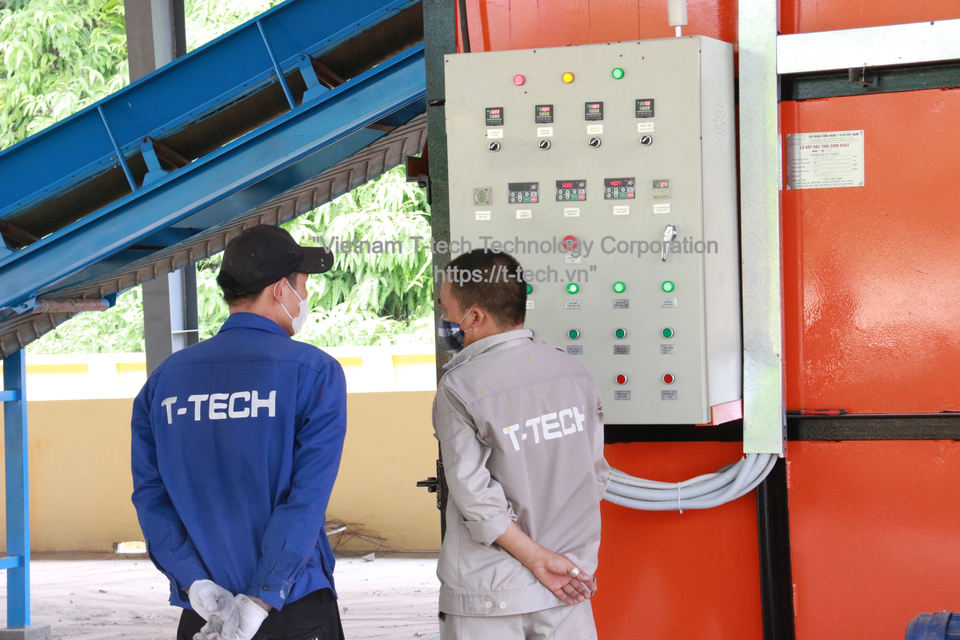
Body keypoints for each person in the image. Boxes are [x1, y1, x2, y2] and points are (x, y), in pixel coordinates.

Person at [131, 224, 348, 640]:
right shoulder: (314, 372)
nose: (305, 297)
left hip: (206, 611)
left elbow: (151, 498)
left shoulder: (164, 381)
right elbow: (305, 500)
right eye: (303, 285)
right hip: (292, 607)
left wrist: (193, 582)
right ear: (280, 290)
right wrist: (262, 597)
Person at [432, 249, 610, 640]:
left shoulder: (460, 387)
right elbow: (596, 476)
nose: (444, 318)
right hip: (567, 585)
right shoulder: (574, 373)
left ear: (474, 317)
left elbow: (477, 500)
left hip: (489, 598)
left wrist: (537, 559)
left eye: (446, 309)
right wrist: (553, 560)